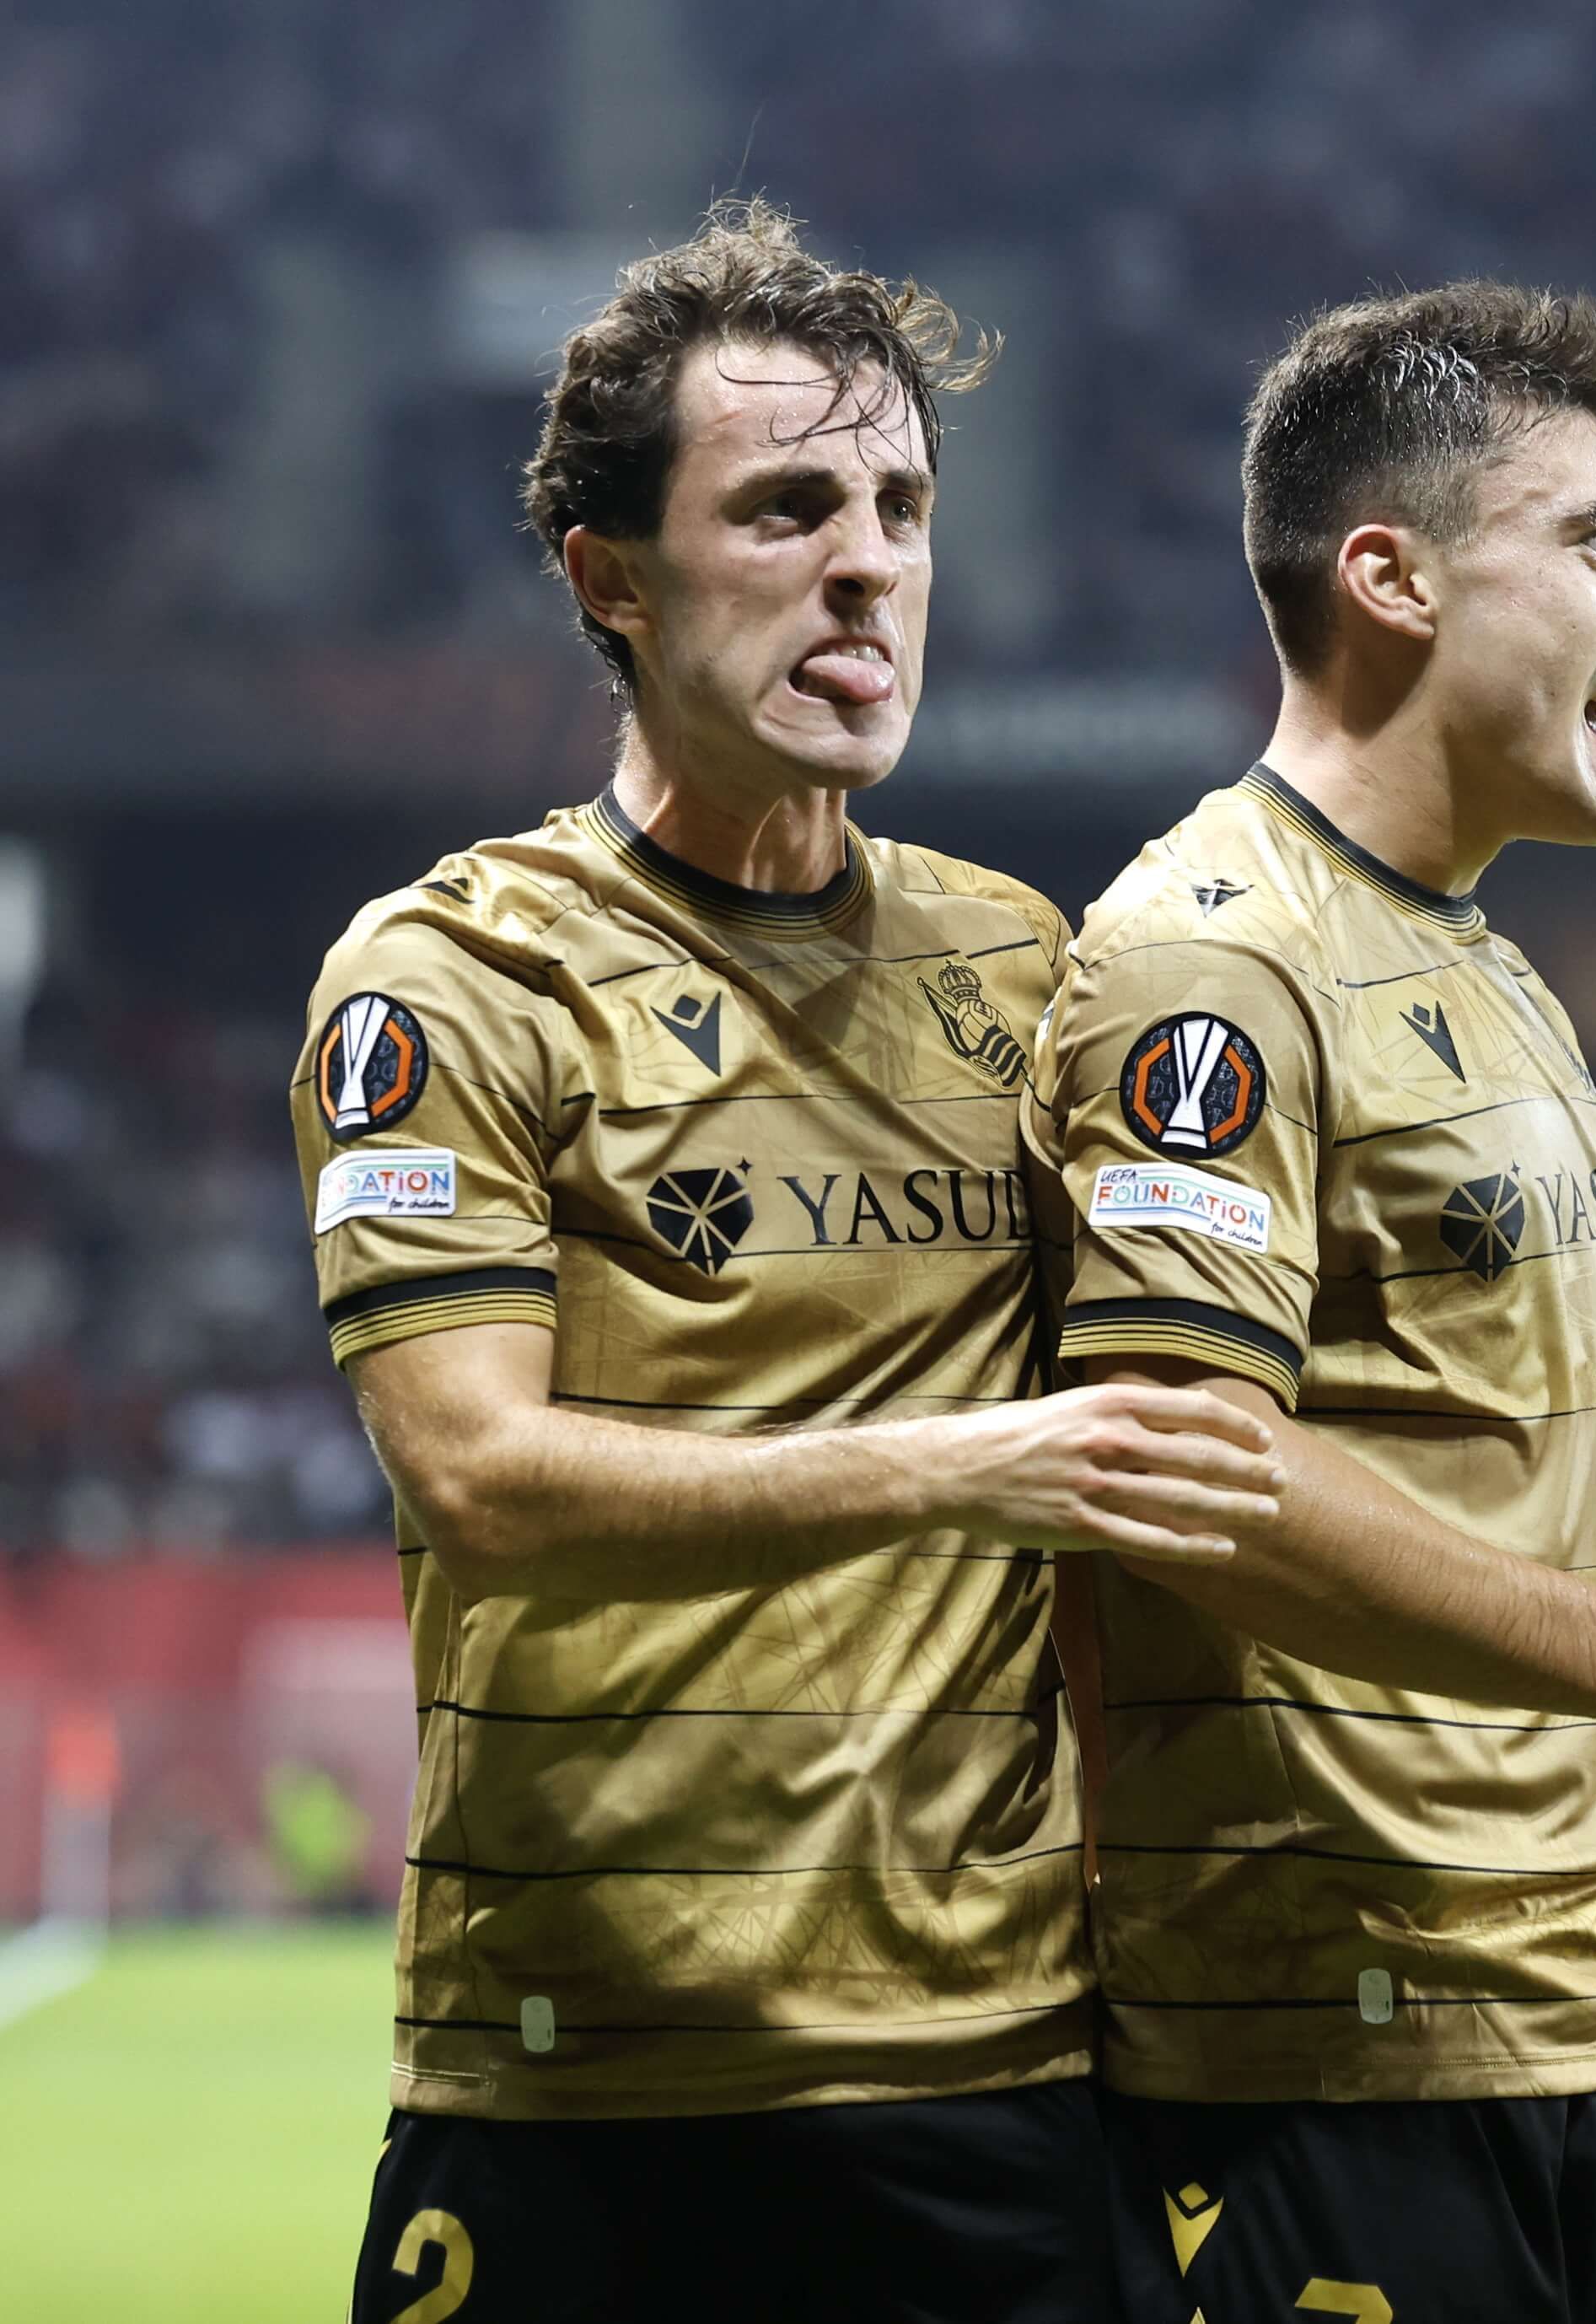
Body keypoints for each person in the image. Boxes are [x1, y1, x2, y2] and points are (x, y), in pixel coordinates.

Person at [292, 201, 1281, 2324]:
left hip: (996, 2089)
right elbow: (478, 1473)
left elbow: (1169, 1534)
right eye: (790, 504)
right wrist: (972, 1464)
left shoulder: (1044, 978)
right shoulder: (456, 974)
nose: (870, 561)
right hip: (569, 2088)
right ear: (610, 581)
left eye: (905, 505)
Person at [1032, 282, 1596, 2324]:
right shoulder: (1213, 958)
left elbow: (1519, 1510)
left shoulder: (1498, 970)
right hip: (1359, 2070)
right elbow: (1183, 1464)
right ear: (1392, 577)